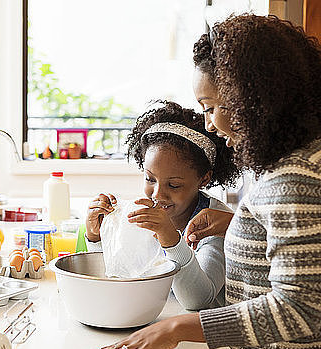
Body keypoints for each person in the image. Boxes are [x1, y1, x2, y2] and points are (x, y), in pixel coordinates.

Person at [90, 15, 321, 349]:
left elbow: (302, 308)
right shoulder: (286, 162)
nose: (210, 124)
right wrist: (238, 226)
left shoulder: (294, 176)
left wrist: (181, 327)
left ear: (255, 100)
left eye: (211, 106)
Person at [85, 100, 238, 310]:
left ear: (204, 179)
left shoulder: (217, 223)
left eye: (174, 185)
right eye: (150, 179)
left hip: (204, 334)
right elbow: (121, 274)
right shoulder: (145, 213)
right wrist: (97, 237)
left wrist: (170, 240)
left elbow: (198, 300)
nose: (158, 194)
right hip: (158, 318)